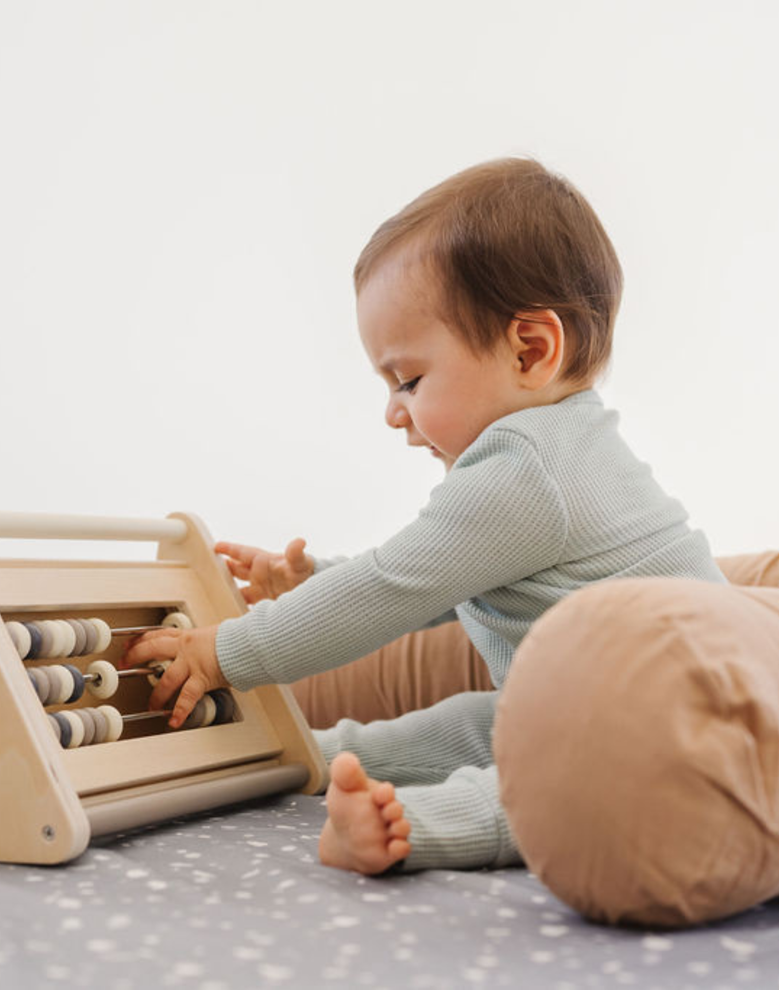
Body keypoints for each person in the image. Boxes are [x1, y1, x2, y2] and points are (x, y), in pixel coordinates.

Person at [123, 157, 725, 875]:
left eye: (408, 379)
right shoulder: (563, 448)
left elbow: (390, 590)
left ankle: (413, 826)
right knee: (473, 724)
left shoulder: (525, 470)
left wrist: (225, 652)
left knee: (553, 780)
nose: (392, 412)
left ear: (531, 350)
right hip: (613, 708)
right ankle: (305, 755)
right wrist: (312, 576)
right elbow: (436, 576)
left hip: (672, 733)